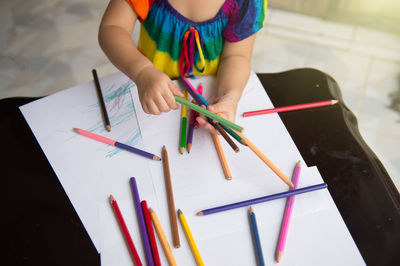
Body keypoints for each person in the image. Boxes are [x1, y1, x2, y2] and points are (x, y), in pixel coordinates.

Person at [98, 0, 267, 133]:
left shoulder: (247, 2)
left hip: (208, 93)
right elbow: (112, 28)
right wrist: (142, 71)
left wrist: (229, 96)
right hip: (152, 90)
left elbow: (236, 56)